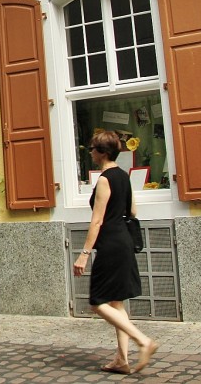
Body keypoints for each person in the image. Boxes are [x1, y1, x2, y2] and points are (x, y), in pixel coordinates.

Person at [73, 130, 158, 374]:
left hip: (109, 243)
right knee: (116, 304)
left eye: (92, 149)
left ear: (101, 152)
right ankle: (122, 360)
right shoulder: (123, 176)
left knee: (97, 302)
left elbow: (96, 221)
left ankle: (143, 341)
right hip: (124, 241)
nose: (90, 152)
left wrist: (84, 254)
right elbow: (132, 210)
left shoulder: (104, 179)